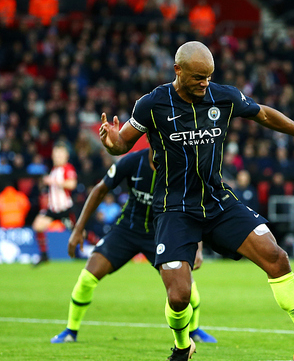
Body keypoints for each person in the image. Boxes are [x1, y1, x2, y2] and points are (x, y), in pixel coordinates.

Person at [98, 41, 294, 361]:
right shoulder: (152, 104)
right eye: (197, 77)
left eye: (208, 76)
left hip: (217, 201)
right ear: (178, 71)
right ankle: (182, 345)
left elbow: (264, 113)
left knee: (276, 257)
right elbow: (121, 142)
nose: (204, 83)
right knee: (179, 296)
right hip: (174, 209)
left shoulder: (222, 96)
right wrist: (110, 142)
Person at [51, 147, 217, 344]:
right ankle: (71, 330)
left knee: (186, 284)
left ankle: (194, 330)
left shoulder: (180, 166)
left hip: (161, 234)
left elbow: (193, 206)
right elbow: (100, 190)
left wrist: (197, 246)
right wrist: (79, 228)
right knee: (87, 276)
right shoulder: (131, 162)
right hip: (127, 230)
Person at [32, 142, 77, 266]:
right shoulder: (54, 170)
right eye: (55, 154)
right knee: (38, 226)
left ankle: (100, 246)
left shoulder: (67, 168)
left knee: (80, 232)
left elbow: (72, 184)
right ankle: (44, 255)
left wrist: (53, 181)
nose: (57, 157)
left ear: (66, 156)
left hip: (65, 209)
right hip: (53, 209)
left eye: (59, 154)